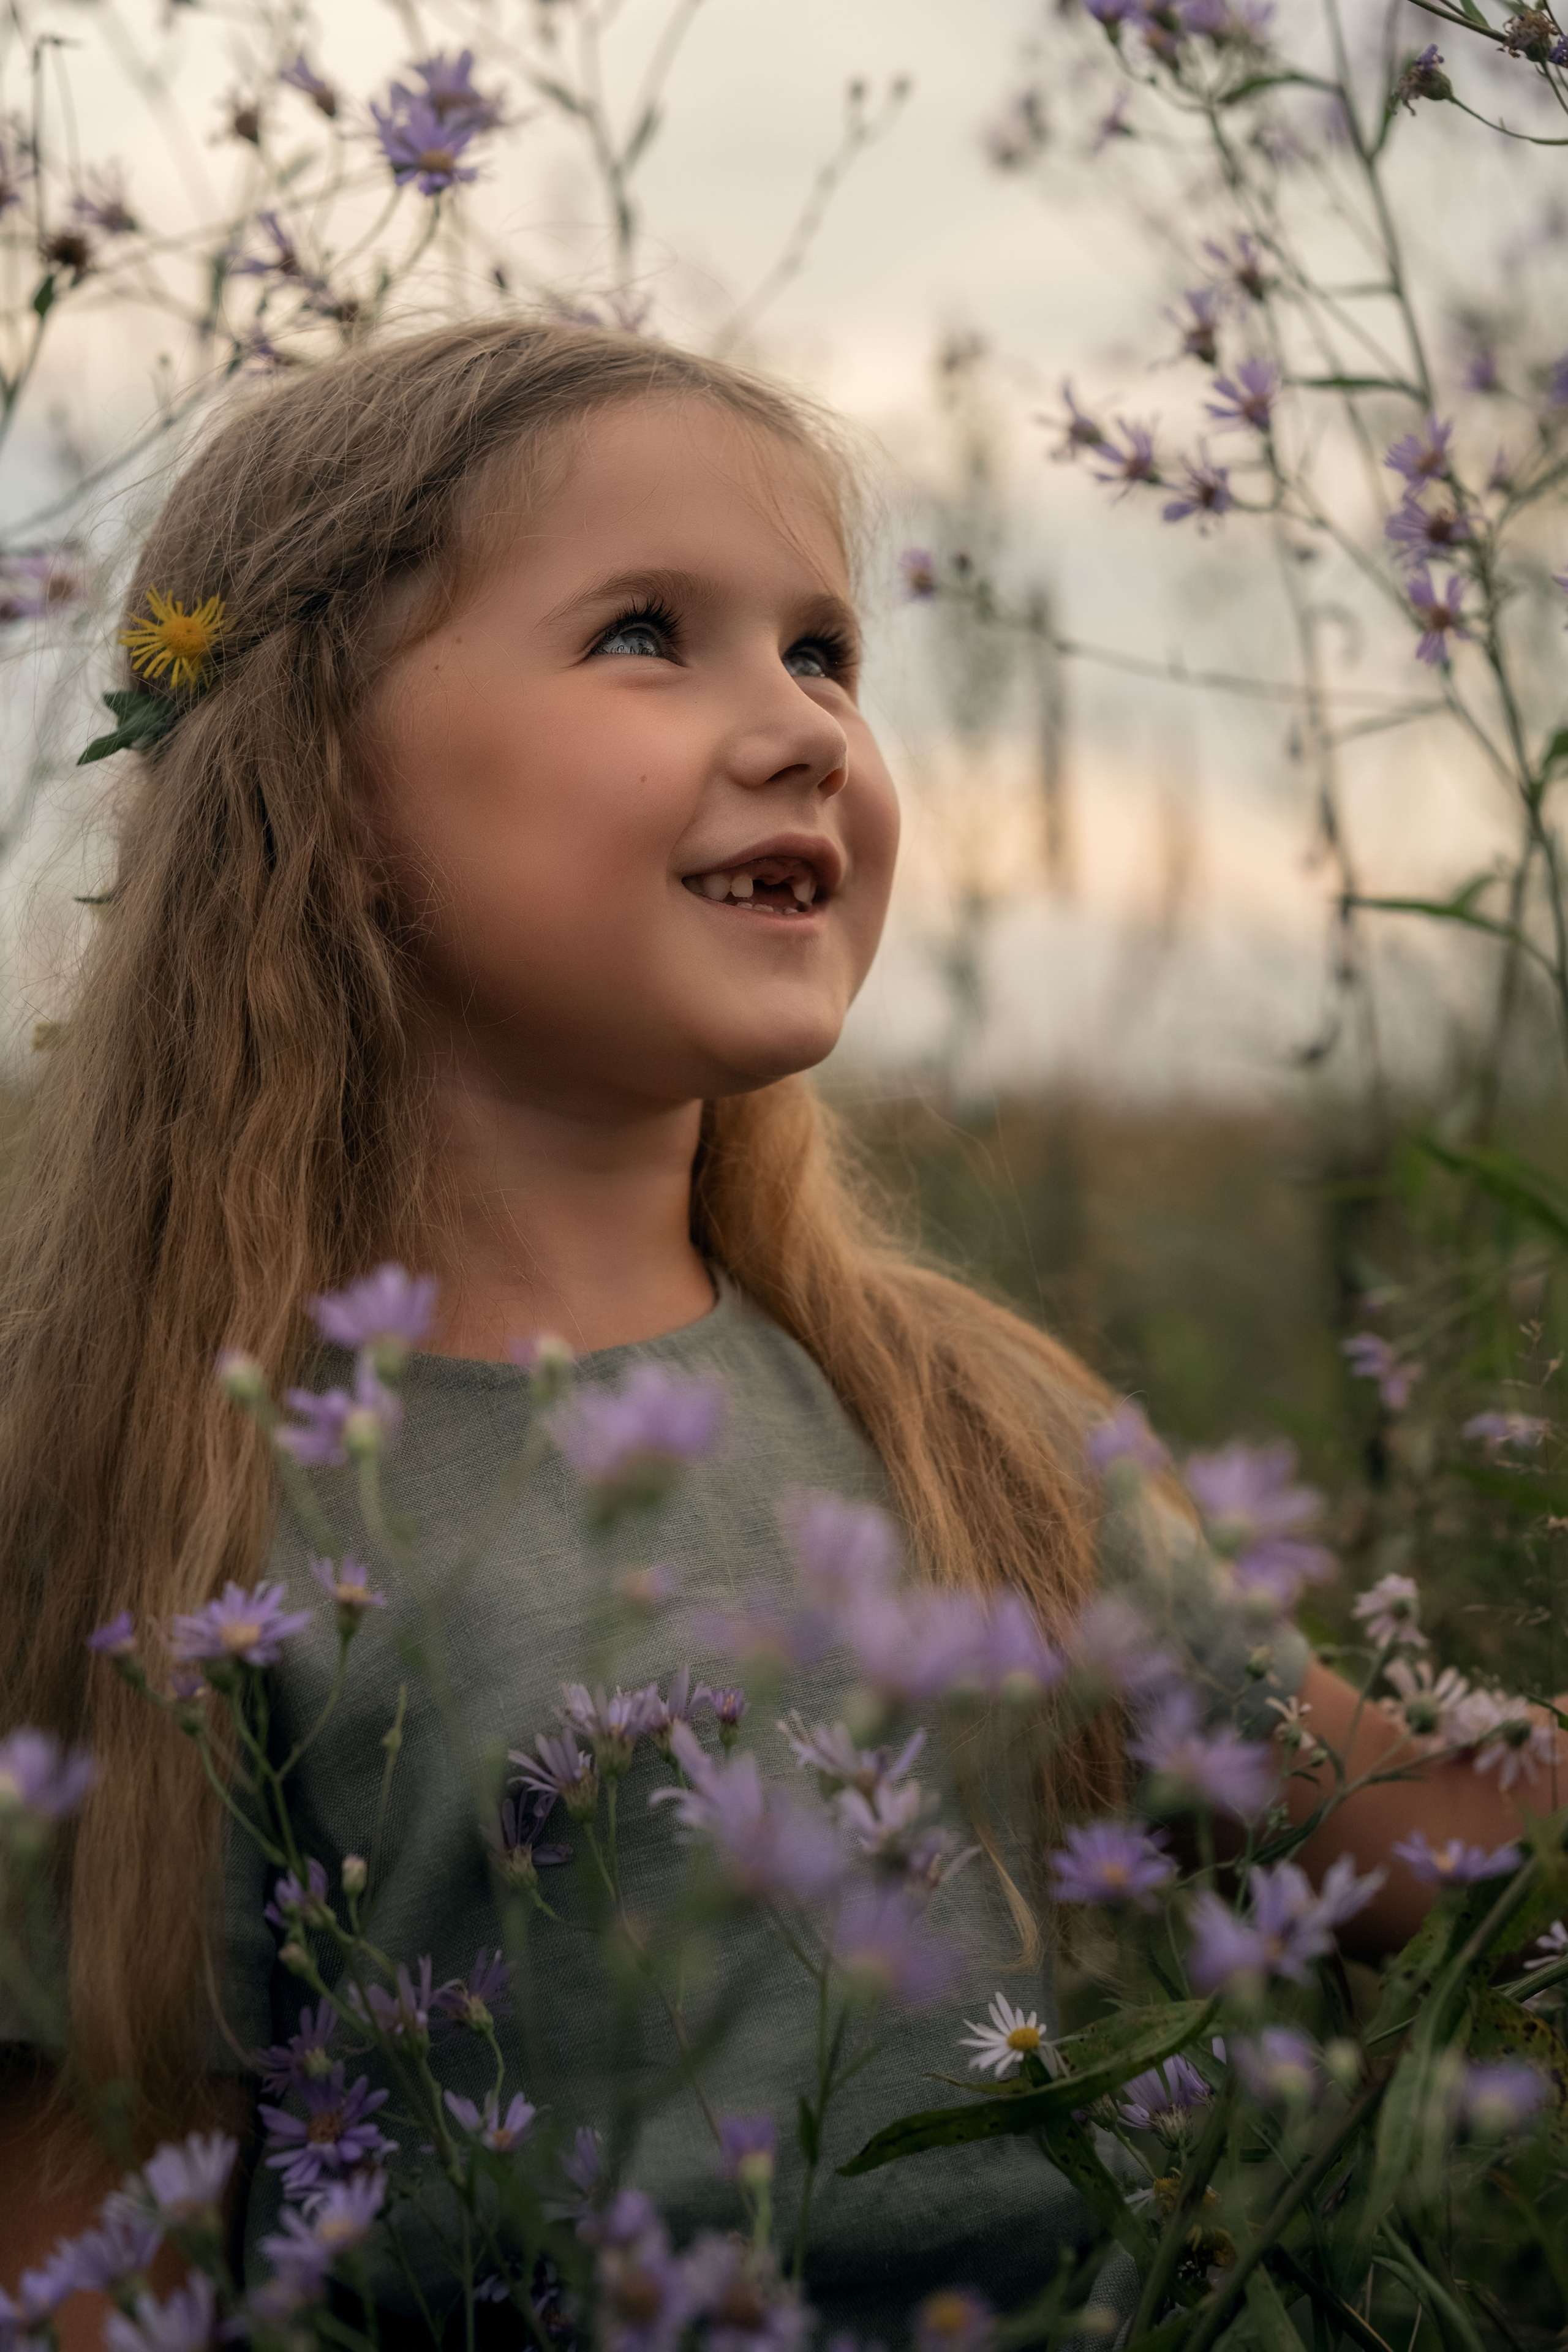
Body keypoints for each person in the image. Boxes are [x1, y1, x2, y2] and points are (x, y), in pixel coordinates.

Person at [0, 321, 1557, 2345]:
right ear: (321, 779)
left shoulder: (951, 1416)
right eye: (650, 632)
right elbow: (91, 2242)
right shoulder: (165, 1487)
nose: (804, 725)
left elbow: (1422, 1839)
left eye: (825, 653)